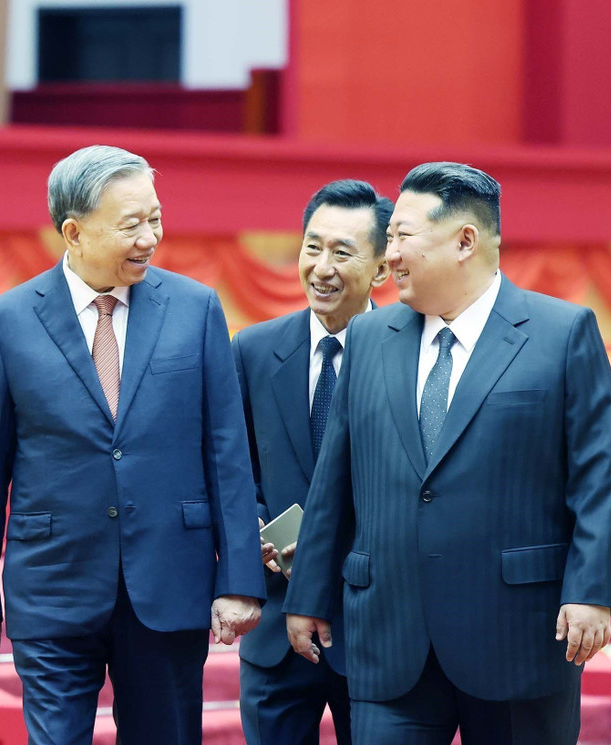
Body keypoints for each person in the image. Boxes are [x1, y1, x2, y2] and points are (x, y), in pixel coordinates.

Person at [284, 162, 611, 745]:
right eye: (388, 239)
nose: (388, 255)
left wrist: (591, 591)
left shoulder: (560, 332)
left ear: (465, 240)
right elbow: (334, 480)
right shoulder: (369, 338)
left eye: (402, 237)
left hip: (519, 638)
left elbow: (597, 477)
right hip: (389, 638)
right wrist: (309, 590)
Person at [0, 145, 264, 745]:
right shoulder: (6, 321)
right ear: (73, 231)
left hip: (170, 582)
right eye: (131, 225)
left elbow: (227, 454)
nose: (150, 236)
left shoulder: (195, 310)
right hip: (53, 584)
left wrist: (239, 580)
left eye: (155, 217)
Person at [232, 180, 392, 745]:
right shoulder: (251, 351)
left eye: (343, 253)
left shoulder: (410, 357)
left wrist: (335, 545)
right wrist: (251, 529)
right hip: (275, 627)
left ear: (381, 269)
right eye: (312, 247)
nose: (322, 267)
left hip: (374, 628)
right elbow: (233, 469)